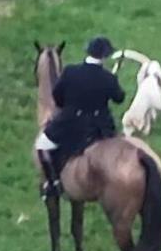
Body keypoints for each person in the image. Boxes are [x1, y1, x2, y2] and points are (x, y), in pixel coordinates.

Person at [35, 36, 125, 198]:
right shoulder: (108, 78)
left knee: (42, 145)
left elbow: (57, 96)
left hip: (71, 125)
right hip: (100, 128)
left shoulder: (70, 72)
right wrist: (113, 82)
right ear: (104, 57)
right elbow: (120, 98)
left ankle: (52, 183)